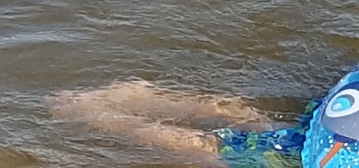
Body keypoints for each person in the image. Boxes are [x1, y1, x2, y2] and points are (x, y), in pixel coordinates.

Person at [49, 67, 359, 168]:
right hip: (333, 146)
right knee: (215, 149)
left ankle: (124, 100)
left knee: (263, 134)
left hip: (336, 127)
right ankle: (100, 114)